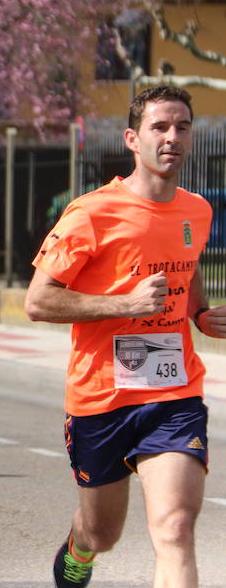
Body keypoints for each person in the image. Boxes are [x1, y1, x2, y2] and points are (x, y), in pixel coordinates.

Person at [24, 86, 215, 588]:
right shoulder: (91, 213)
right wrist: (124, 304)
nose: (172, 137)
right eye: (159, 127)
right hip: (102, 399)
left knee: (175, 527)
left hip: (174, 393)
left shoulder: (197, 211)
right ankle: (79, 547)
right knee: (102, 532)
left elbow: (186, 269)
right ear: (133, 138)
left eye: (182, 127)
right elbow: (38, 301)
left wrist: (200, 313)